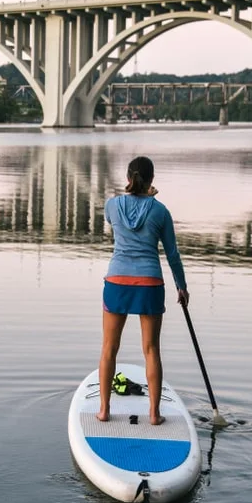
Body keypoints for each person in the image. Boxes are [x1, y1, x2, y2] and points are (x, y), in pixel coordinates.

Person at [97, 156, 188, 425]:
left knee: (109, 349)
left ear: (127, 178)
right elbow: (172, 254)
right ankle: (154, 414)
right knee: (151, 350)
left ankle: (103, 411)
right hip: (150, 283)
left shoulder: (112, 205)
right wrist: (181, 287)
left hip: (117, 282)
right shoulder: (160, 211)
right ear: (152, 181)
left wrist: (140, 195)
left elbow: (116, 220)